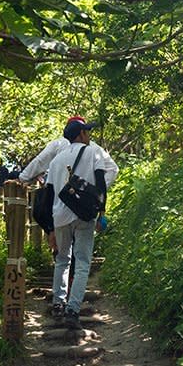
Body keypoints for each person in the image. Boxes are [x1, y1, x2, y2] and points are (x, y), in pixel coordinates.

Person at [44, 118, 117, 329]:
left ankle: (58, 303)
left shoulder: (56, 161)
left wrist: (50, 228)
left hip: (59, 217)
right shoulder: (92, 152)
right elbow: (101, 183)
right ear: (80, 135)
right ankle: (73, 310)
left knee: (62, 259)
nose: (89, 134)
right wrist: (102, 211)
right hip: (84, 216)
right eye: (87, 131)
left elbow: (49, 195)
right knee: (83, 262)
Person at [17, 116, 118, 253]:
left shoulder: (58, 145)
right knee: (81, 252)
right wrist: (94, 192)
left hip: (60, 206)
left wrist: (23, 178)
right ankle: (75, 273)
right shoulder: (94, 149)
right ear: (82, 132)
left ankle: (64, 269)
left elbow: (40, 162)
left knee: (62, 256)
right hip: (84, 206)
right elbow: (113, 169)